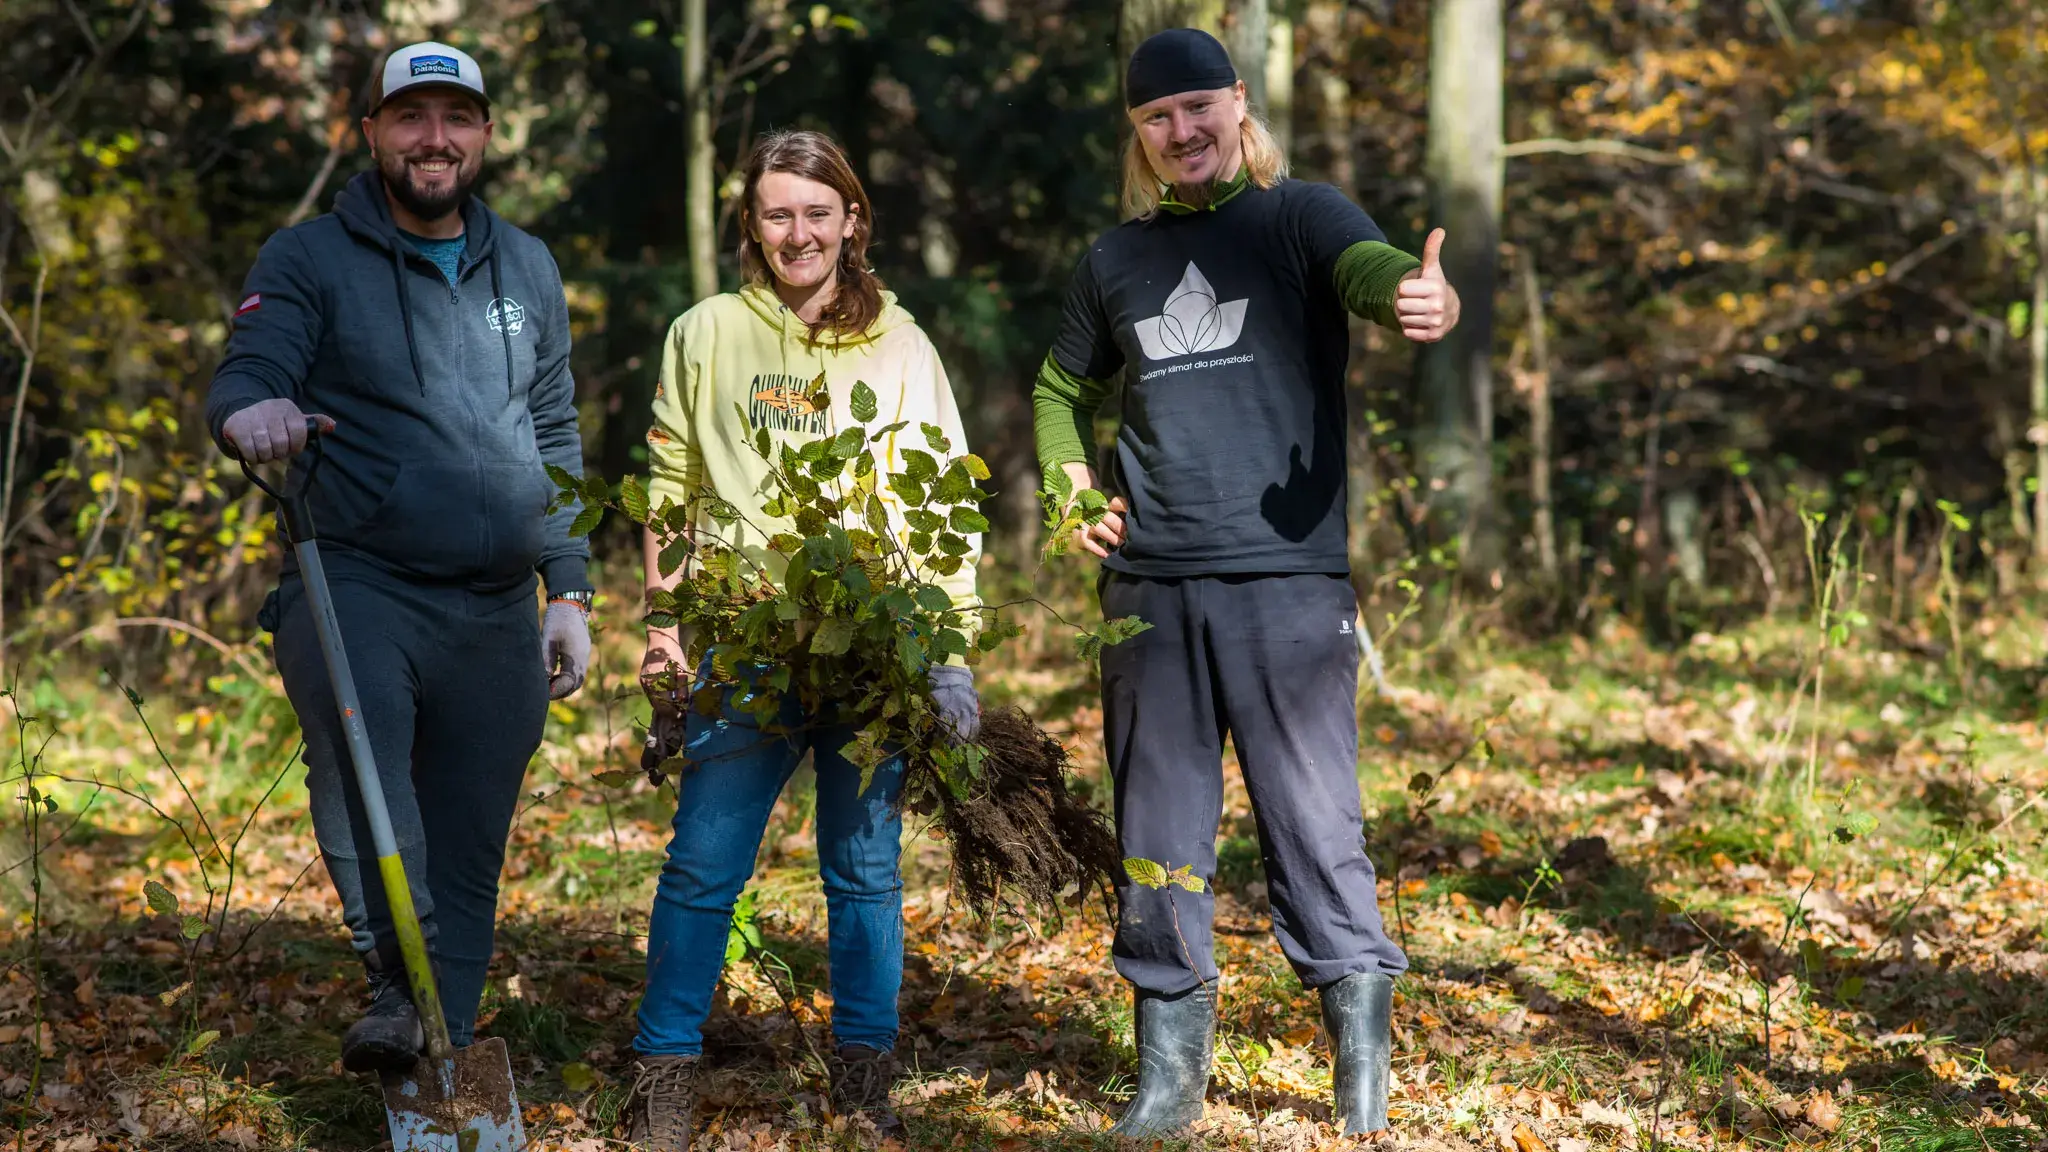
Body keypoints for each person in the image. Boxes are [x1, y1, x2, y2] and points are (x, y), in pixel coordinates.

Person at [1032, 28, 1462, 1139]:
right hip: (1149, 590)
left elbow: (1369, 275)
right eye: (1155, 119)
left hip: (1285, 582)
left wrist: (1416, 302)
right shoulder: (1113, 260)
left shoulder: (1299, 216)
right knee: (1157, 834)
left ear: (1235, 102)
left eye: (1195, 108)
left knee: (1316, 826)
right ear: (1136, 134)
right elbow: (1056, 390)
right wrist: (1074, 496)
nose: (1180, 133)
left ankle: (1357, 1078)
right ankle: (1168, 1081)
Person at [204, 41, 593, 1073]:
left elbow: (553, 430)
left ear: (484, 134)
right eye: (410, 116)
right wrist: (255, 416)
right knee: (367, 783)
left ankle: (439, 1060)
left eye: (455, 117)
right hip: (357, 581)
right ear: (370, 130)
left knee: (469, 850)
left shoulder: (531, 266)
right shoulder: (308, 258)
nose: (434, 139)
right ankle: (392, 982)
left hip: (499, 605)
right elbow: (247, 372)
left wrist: (572, 588)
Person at [623, 128, 982, 1150]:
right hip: (745, 646)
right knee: (702, 862)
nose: (798, 232)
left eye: (817, 212)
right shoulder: (702, 335)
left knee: (863, 867)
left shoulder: (904, 349)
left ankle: (865, 1077)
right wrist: (661, 630)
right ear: (752, 225)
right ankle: (663, 1073)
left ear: (851, 220)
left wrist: (947, 652)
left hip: (873, 654)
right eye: (777, 213)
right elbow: (669, 493)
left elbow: (945, 505)